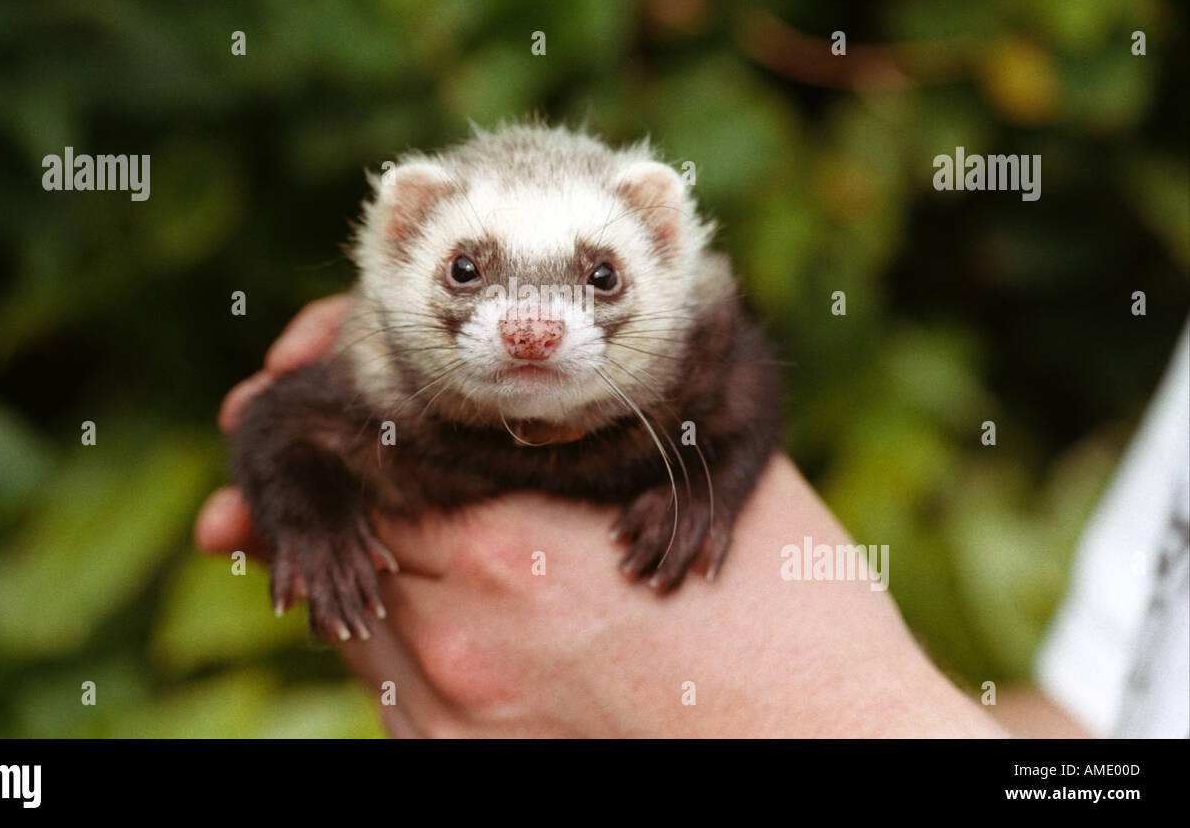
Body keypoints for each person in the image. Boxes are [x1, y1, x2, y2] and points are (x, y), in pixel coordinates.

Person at [192, 298, 1181, 737]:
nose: (532, 322)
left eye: (599, 280)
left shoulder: (709, 386)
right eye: (465, 273)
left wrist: (806, 716)